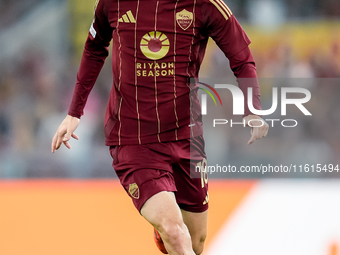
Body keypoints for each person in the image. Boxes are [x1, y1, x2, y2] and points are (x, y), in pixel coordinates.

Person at [51, 0, 269, 254]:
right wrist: (74, 112)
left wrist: (252, 108)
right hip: (133, 139)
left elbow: (240, 54)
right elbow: (94, 47)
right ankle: (164, 223)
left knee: (195, 241)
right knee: (175, 232)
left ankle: (162, 226)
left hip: (188, 137)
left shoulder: (205, 4)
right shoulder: (113, 3)